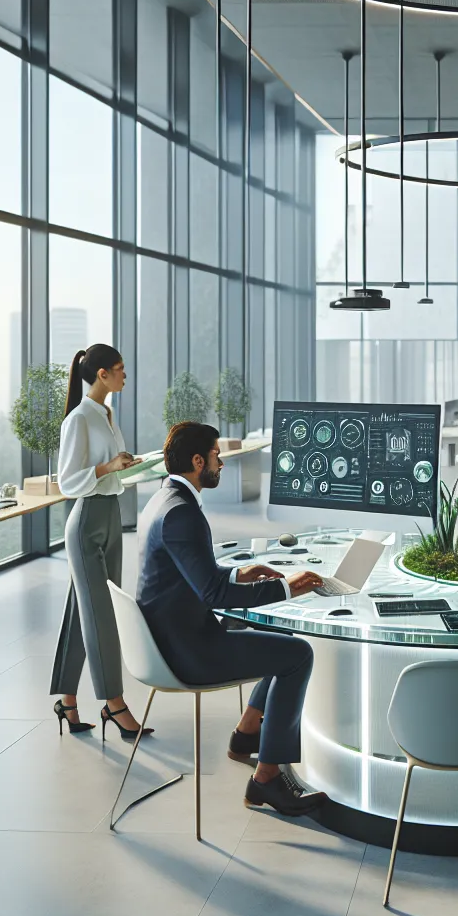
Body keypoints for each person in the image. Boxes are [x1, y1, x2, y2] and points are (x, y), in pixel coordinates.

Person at [137, 421, 329, 816]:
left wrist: (238, 572)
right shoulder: (182, 514)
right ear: (197, 460)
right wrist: (288, 588)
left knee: (274, 634)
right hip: (187, 651)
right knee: (298, 656)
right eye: (216, 456)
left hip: (172, 634)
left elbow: (196, 575)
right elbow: (213, 594)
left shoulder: (164, 499)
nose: (221, 463)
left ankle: (247, 734)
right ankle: (267, 779)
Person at [50, 343, 147, 739]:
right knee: (103, 615)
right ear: (102, 374)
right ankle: (114, 703)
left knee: (82, 615)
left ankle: (67, 700)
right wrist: (110, 465)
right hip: (88, 520)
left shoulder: (106, 414)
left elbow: (110, 473)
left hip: (110, 516)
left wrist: (127, 465)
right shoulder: (79, 419)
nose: (125, 375)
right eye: (120, 369)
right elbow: (68, 480)